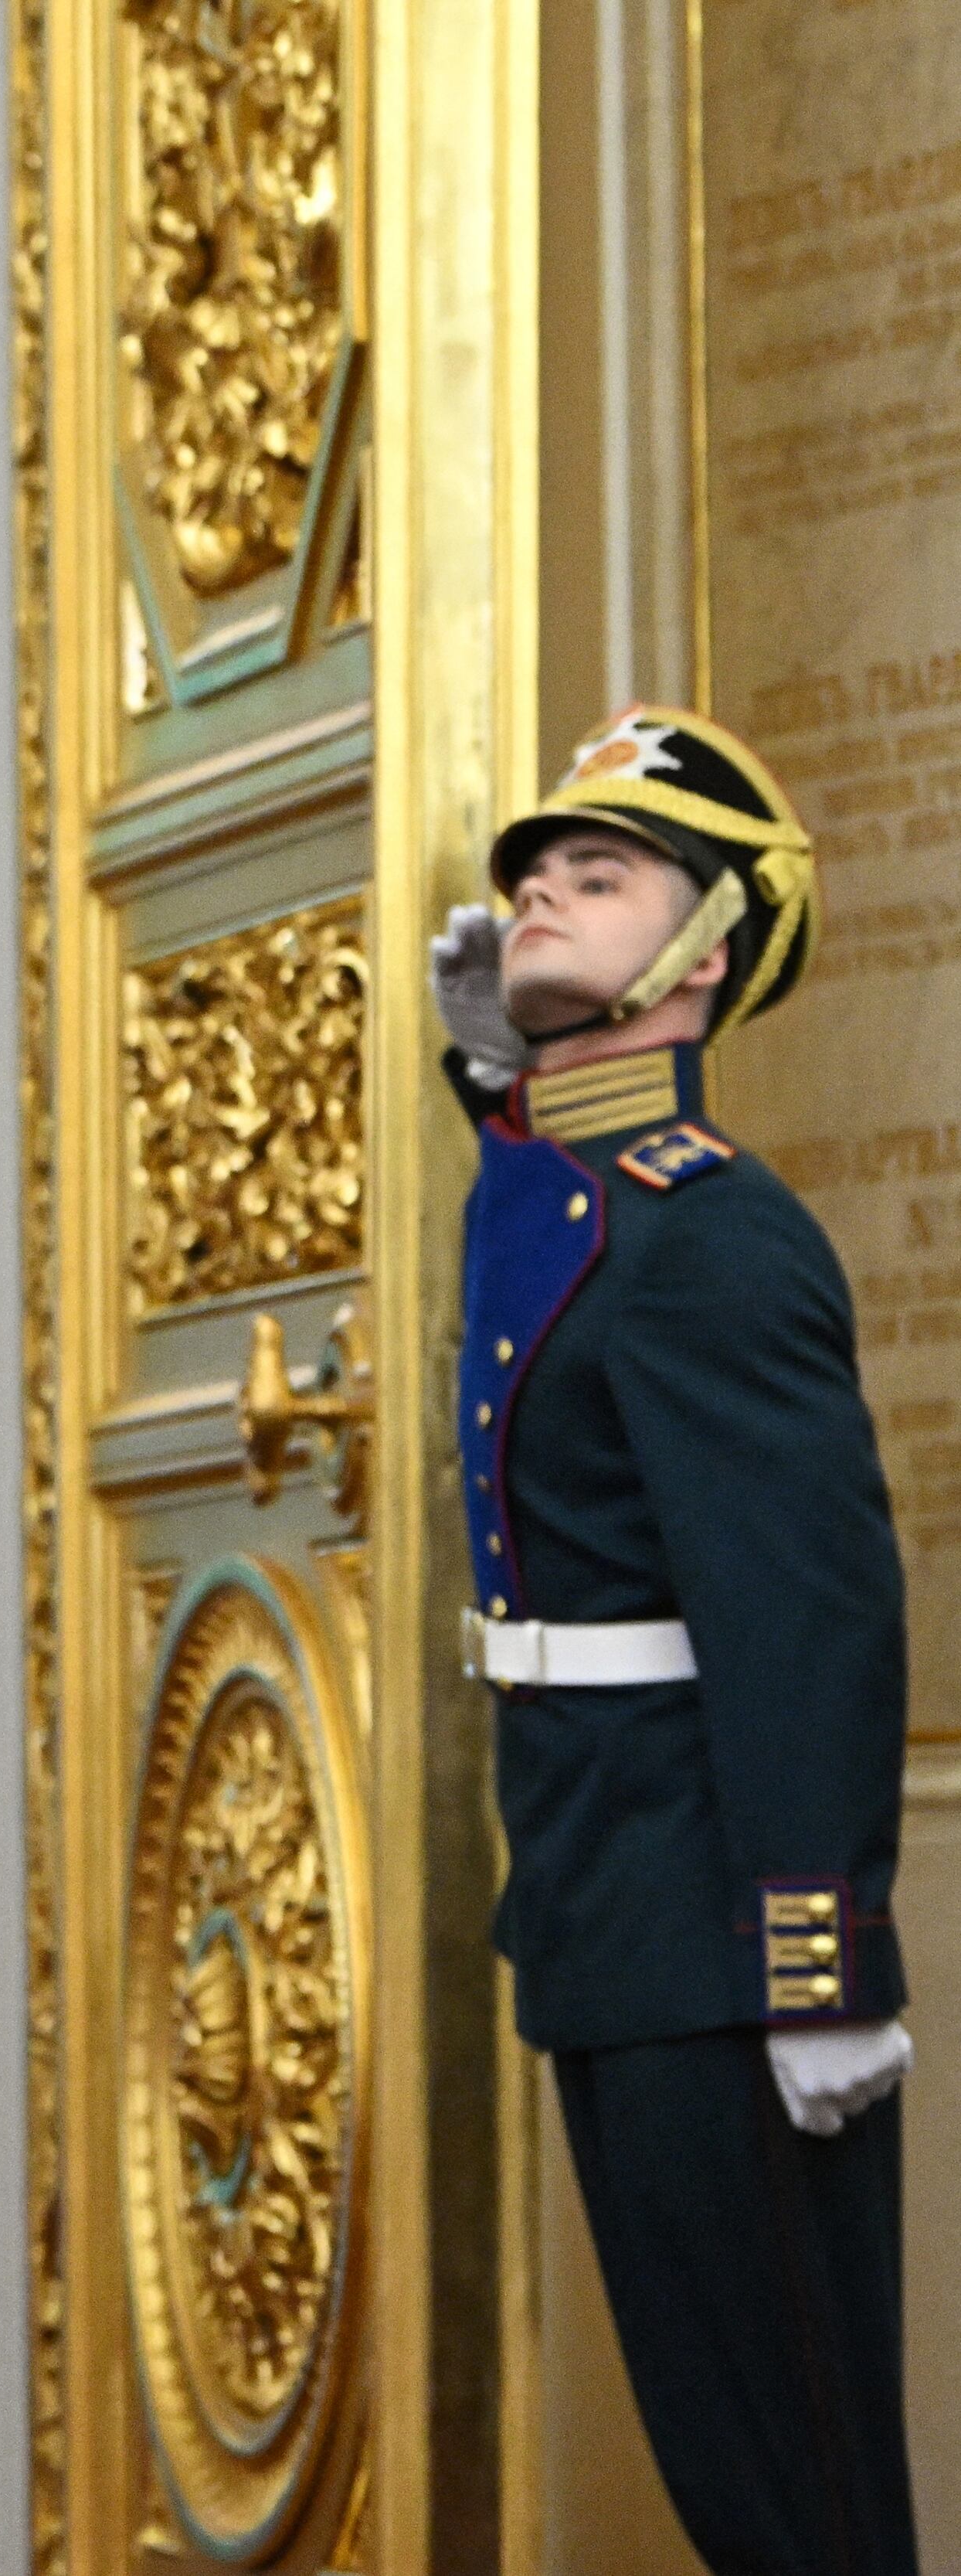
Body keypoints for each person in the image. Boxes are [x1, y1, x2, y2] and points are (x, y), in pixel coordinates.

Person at [431, 704, 912, 2574]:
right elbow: (540, 1227)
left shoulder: (715, 1237)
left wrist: (822, 1958)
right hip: (608, 1909)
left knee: (801, 2501)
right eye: (533, 869)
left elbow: (809, 1616)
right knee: (732, 2474)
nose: (541, 886)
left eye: (603, 874)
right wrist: (488, 1081)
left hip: (718, 1937)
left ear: (704, 953)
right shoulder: (579, 1194)